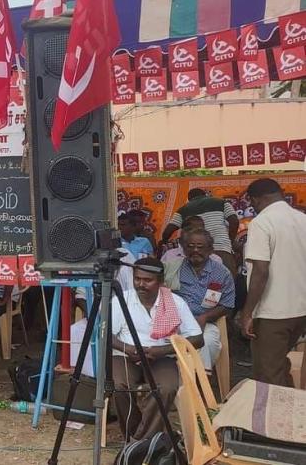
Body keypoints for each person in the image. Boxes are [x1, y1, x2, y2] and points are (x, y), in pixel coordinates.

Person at [110, 258, 203, 441]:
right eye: (137, 279)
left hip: (161, 356)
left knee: (166, 388)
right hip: (125, 355)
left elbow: (198, 339)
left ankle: (140, 441)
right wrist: (128, 348)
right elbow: (105, 336)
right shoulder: (122, 299)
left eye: (147, 280)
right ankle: (137, 437)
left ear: (160, 281)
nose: (141, 284)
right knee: (119, 386)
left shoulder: (175, 302)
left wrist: (162, 351)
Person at [239, 178, 306, 387]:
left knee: (268, 375)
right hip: (300, 310)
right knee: (279, 368)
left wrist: (247, 313)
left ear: (256, 200)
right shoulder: (302, 219)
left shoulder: (262, 223)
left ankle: (279, 419)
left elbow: (261, 270)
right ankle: (293, 411)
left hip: (273, 313)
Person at [166, 229, 235, 371]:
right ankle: (172, 380)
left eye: (200, 247)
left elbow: (227, 305)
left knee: (208, 342)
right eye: (190, 246)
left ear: (210, 250)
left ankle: (200, 381)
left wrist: (205, 317)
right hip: (172, 322)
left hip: (205, 322)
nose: (195, 250)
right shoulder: (172, 268)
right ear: (184, 249)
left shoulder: (222, 273)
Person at [161, 188, 239, 275]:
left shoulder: (183, 209)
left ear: (189, 199)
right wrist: (230, 241)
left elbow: (168, 231)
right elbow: (234, 221)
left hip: (197, 254)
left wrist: (163, 242)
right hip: (222, 250)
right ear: (205, 195)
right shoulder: (222, 202)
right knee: (226, 283)